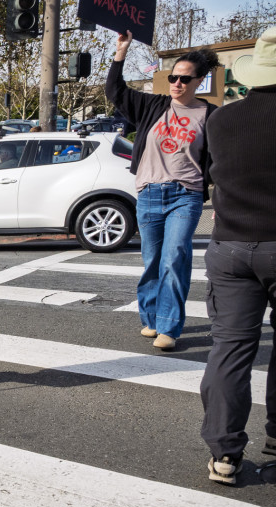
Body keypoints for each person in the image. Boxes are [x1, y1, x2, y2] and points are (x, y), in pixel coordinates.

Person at [106, 31, 219, 351]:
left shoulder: (210, 114)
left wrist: (219, 194)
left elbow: (219, 159)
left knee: (174, 257)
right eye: (173, 77)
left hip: (185, 195)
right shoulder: (152, 105)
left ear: (199, 81)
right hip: (149, 193)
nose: (177, 83)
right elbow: (115, 90)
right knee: (153, 260)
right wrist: (121, 52)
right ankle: (152, 318)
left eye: (185, 79)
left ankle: (169, 327)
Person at [199, 27, 276, 485]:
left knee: (229, 349)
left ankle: (225, 454)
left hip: (230, 246)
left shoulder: (221, 121)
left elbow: (210, 175)